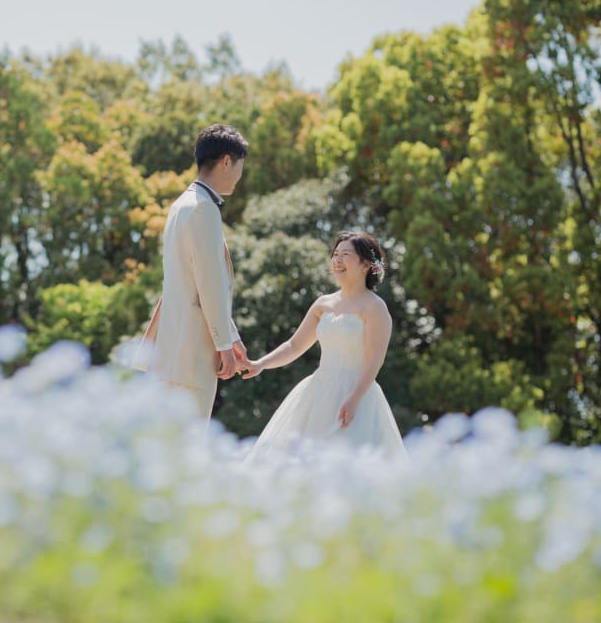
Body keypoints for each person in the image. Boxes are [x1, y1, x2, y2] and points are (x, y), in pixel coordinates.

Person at [242, 230, 406, 459]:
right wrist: (261, 364)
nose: (337, 260)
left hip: (357, 395)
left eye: (346, 255)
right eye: (335, 254)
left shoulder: (374, 307)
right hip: (318, 391)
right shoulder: (323, 304)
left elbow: (374, 359)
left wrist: (353, 399)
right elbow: (294, 346)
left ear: (365, 264)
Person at [135, 124, 251, 418]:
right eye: (240, 166)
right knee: (185, 449)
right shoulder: (204, 208)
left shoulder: (180, 205)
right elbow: (209, 284)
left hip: (170, 350)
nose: (239, 175)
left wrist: (231, 336)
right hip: (192, 354)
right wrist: (223, 344)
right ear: (227, 161)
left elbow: (183, 283)